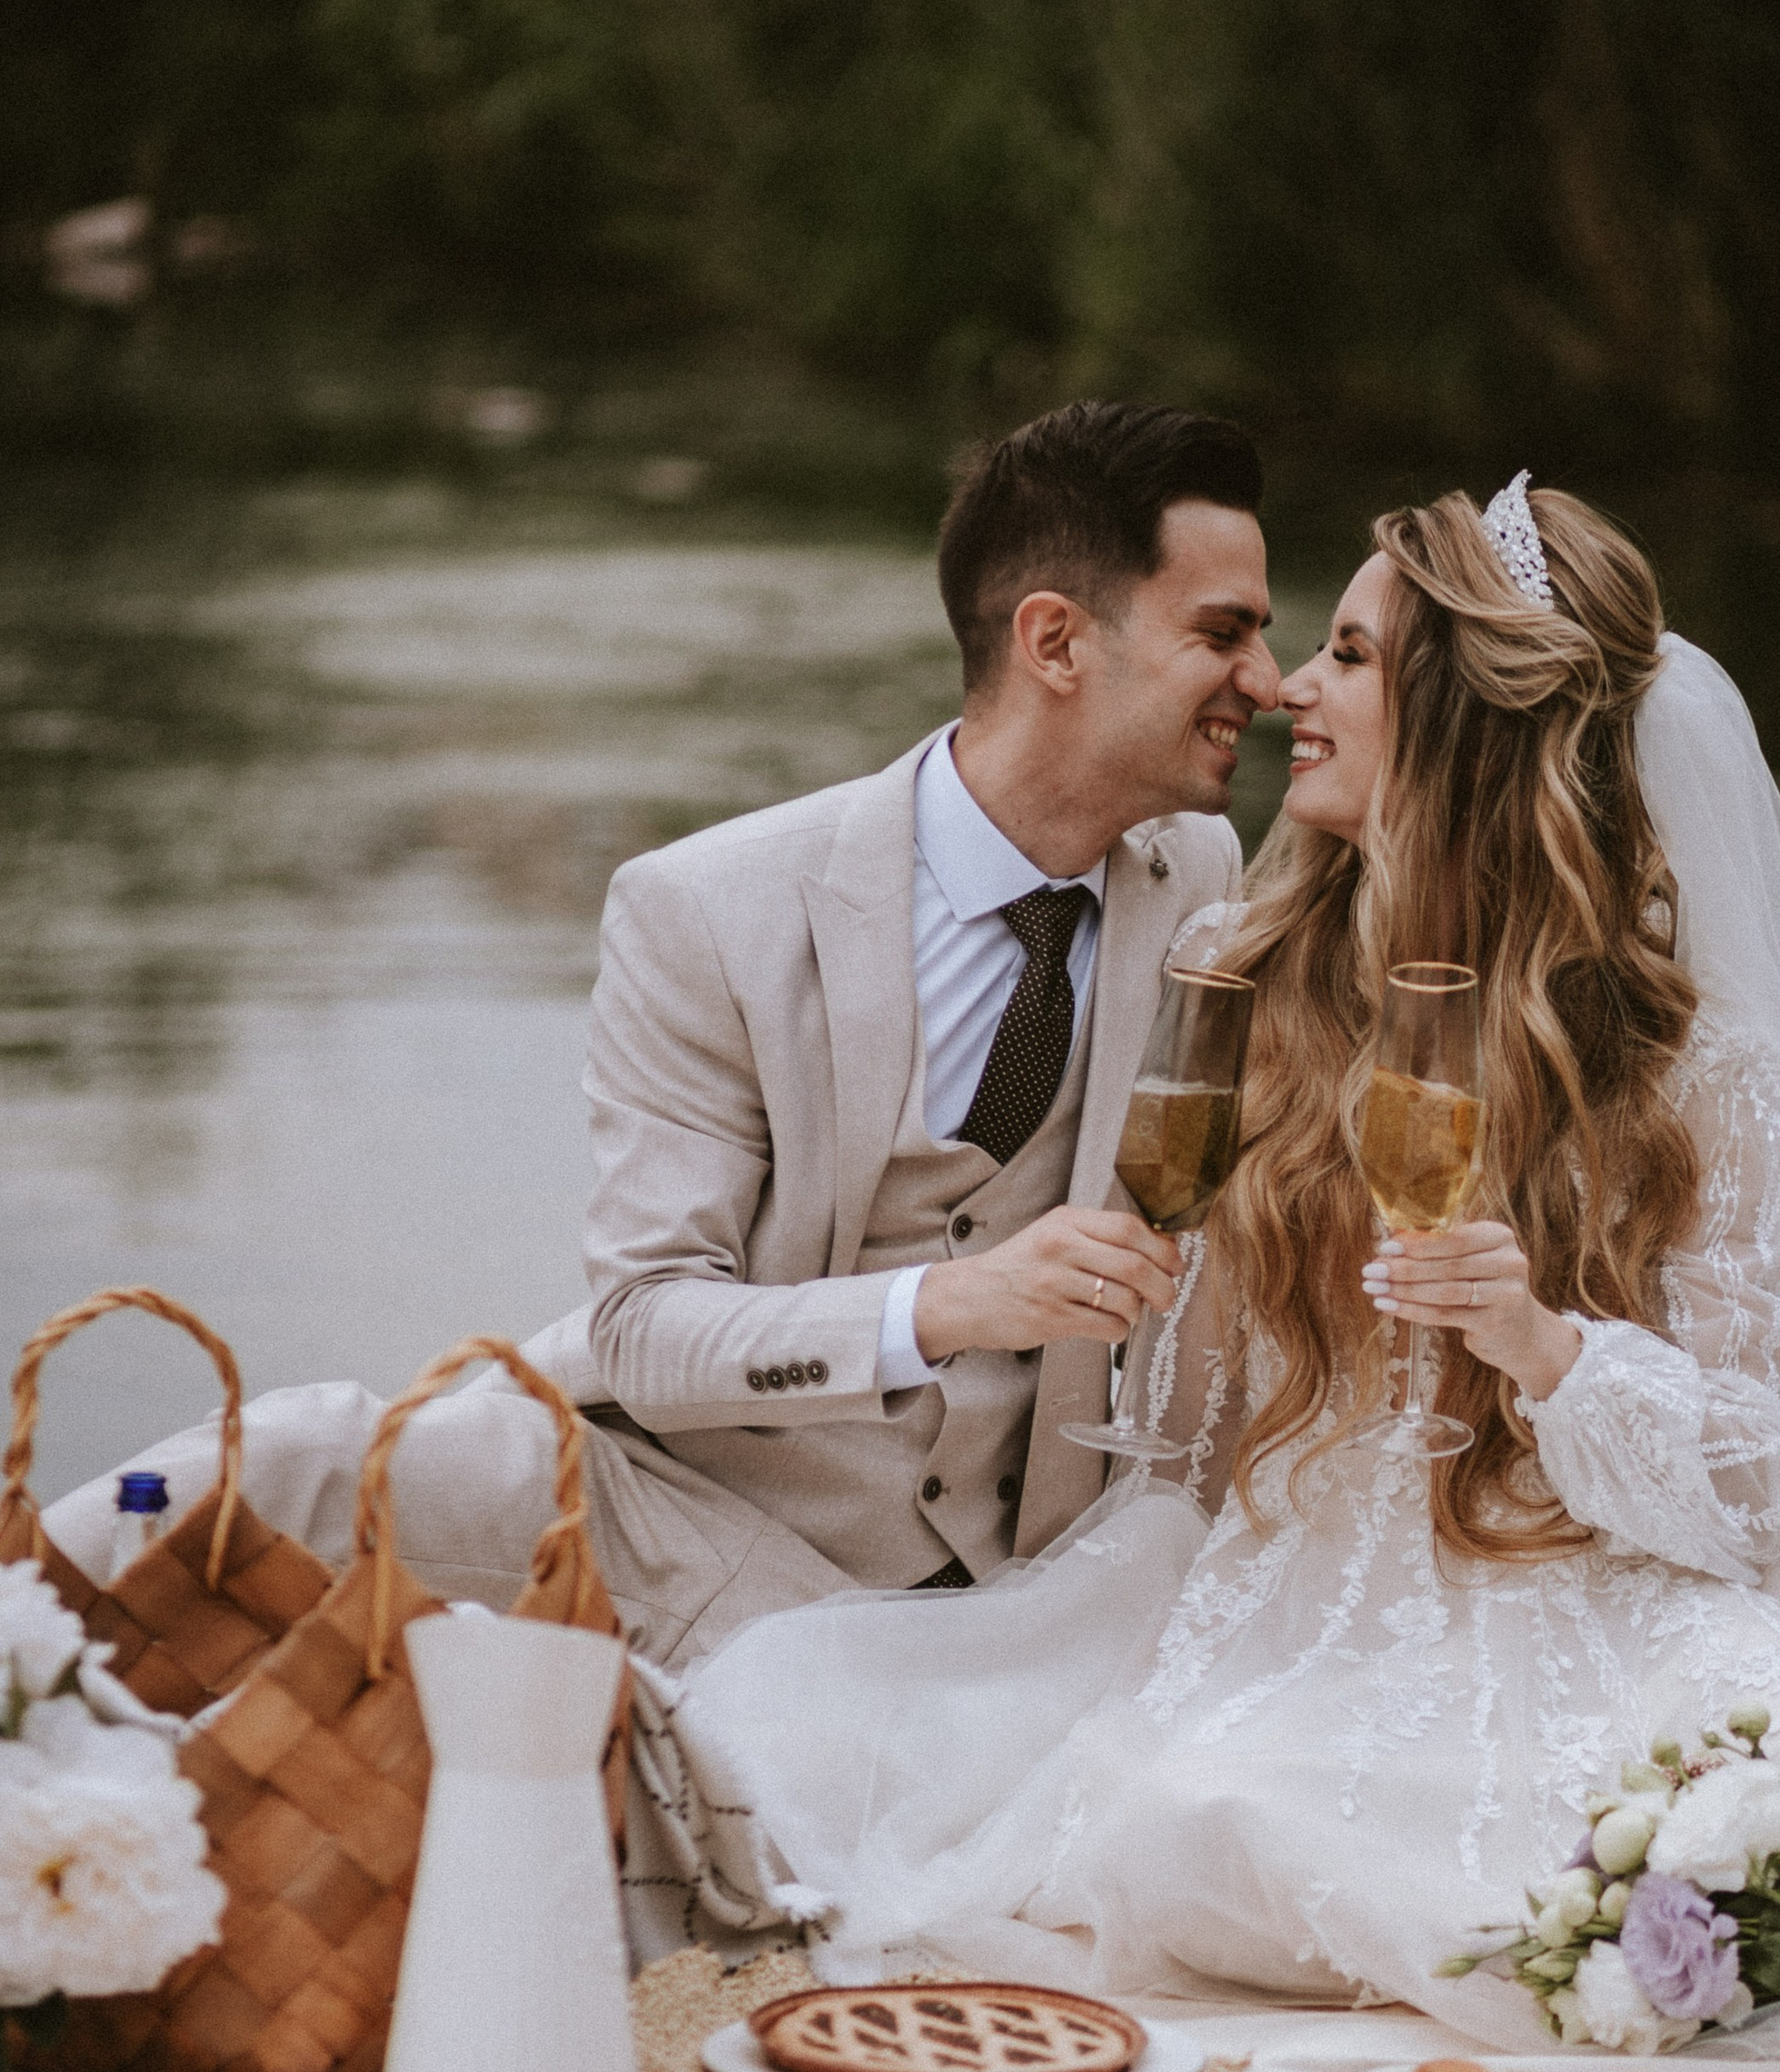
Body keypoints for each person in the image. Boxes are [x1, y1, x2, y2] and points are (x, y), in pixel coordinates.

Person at [640, 478, 1780, 2072]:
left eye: (1354, 657)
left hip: (1580, 1585)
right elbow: (1197, 1431)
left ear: (1470, 726)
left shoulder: (1690, 1066)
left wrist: (1542, 1344)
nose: (1294, 683)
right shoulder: (1241, 965)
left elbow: (1750, 1495)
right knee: (906, 1758)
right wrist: (1127, 1295)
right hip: (1275, 1584)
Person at [40, 401, 1278, 1669]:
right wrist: (952, 1302)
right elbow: (646, 1324)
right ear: (1056, 643)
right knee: (285, 1464)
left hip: (1014, 1591)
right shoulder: (708, 909)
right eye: (1222, 634)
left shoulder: (1197, 874)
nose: (1270, 683)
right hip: (688, 1514)